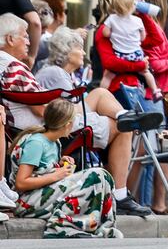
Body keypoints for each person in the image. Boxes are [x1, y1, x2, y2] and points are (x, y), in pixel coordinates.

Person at [1, 15, 150, 216]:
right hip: (50, 123)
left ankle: (127, 116)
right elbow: (42, 108)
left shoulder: (8, 66)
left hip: (44, 121)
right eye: (25, 36)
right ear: (10, 39)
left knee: (103, 99)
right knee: (123, 127)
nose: (30, 41)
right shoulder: (14, 68)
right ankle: (120, 195)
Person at [9, 98, 118, 238]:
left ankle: (101, 226)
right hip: (28, 202)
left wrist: (59, 163)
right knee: (95, 176)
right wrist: (56, 175)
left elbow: (42, 168)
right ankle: (62, 226)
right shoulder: (36, 143)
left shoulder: (54, 142)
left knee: (103, 176)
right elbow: (21, 183)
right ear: (68, 125)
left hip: (42, 193)